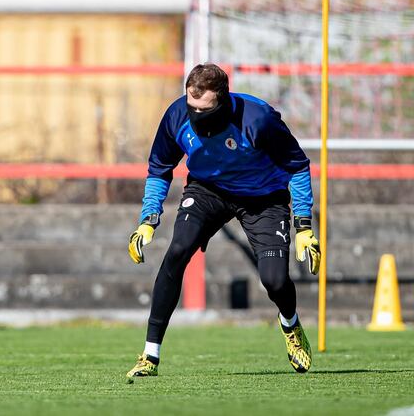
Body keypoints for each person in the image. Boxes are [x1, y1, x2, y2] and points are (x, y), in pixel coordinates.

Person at [126, 63, 321, 380]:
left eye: (203, 109)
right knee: (177, 250)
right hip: (208, 191)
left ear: (223, 101)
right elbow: (159, 169)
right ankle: (150, 354)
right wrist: (148, 220)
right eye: (191, 106)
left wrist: (304, 227)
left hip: (262, 197)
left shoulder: (258, 120)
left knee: (274, 280)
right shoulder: (176, 116)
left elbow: (297, 167)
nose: (194, 115)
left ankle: (290, 323)